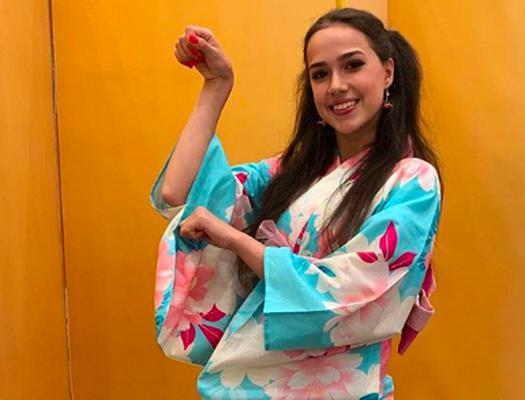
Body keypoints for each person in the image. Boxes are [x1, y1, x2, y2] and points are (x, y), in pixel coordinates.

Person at [150, 7, 443, 399]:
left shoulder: (411, 181)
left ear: (388, 71)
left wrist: (237, 241)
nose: (336, 85)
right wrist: (216, 86)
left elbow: (347, 291)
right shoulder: (292, 173)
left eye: (352, 65)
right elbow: (180, 193)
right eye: (320, 74)